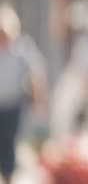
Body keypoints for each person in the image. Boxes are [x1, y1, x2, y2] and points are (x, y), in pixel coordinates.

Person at [0, 25, 47, 184]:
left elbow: (35, 74)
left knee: (8, 142)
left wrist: (38, 99)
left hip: (12, 105)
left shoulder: (20, 51)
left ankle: (8, 176)